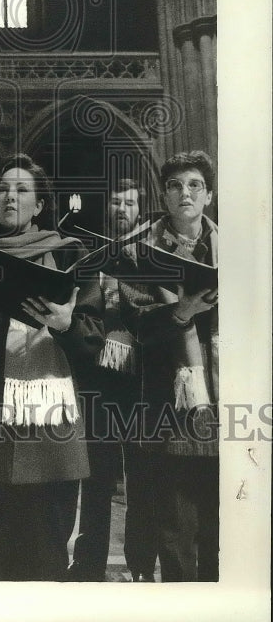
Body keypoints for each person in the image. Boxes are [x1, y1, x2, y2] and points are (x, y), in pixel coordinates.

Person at [0, 153, 104, 581]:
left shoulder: (71, 254)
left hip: (52, 432)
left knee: (46, 558)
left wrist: (66, 324)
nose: (9, 196)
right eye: (2, 189)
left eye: (22, 189)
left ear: (40, 204)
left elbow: (95, 343)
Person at [118, 150, 218, 582]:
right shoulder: (138, 251)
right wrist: (183, 311)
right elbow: (135, 321)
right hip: (167, 399)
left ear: (209, 195)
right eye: (175, 186)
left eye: (195, 185)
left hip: (224, 393)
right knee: (175, 526)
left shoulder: (233, 248)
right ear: (163, 196)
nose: (185, 193)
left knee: (221, 522)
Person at [68, 177, 158, 582]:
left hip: (141, 380)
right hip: (99, 378)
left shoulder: (151, 255)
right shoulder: (93, 253)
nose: (122, 209)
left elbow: (156, 308)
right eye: (116, 202)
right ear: (108, 208)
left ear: (140, 210)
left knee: (141, 475)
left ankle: (141, 565)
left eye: (130, 203)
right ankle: (88, 564)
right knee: (97, 476)